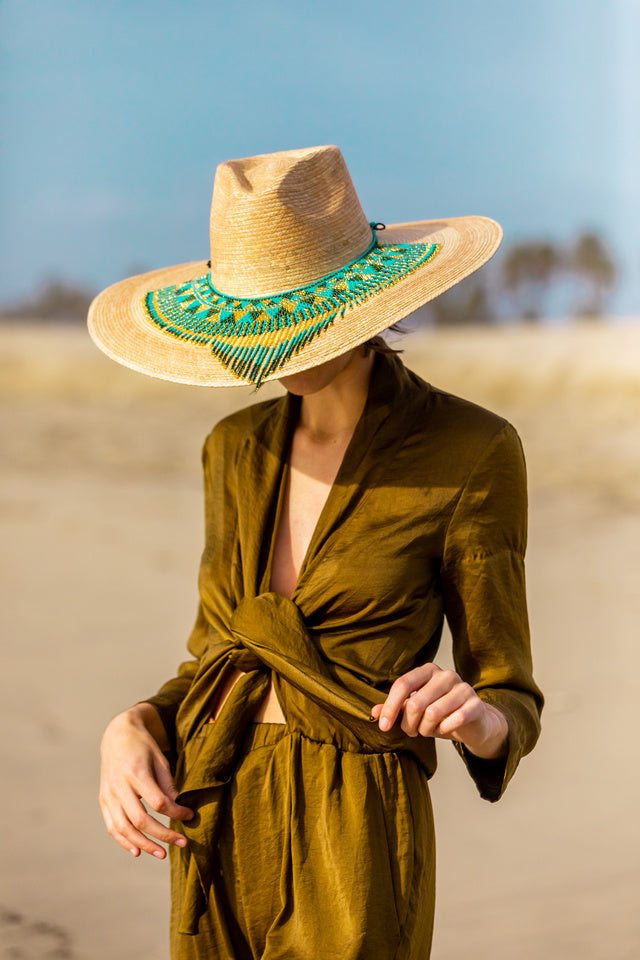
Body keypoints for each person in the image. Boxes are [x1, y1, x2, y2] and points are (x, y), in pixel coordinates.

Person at [91, 144, 543, 960]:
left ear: (365, 305)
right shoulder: (233, 449)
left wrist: (473, 718)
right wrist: (131, 726)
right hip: (215, 807)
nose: (284, 347)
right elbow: (216, 657)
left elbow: (510, 694)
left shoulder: (471, 452)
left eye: (300, 315)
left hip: (356, 833)